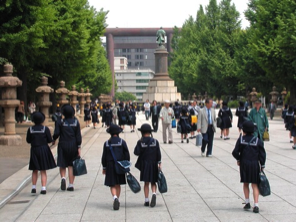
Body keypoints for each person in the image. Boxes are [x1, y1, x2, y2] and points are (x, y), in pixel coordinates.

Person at [232, 121, 266, 214]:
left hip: (244, 164)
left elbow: (234, 152)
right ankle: (256, 205)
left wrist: (239, 159)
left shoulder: (241, 140)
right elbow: (262, 154)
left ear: (244, 130)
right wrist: (262, 165)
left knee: (245, 183)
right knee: (255, 185)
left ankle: (247, 202)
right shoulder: (257, 141)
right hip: (254, 164)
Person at [53, 105, 82, 192]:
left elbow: (57, 133)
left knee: (62, 163)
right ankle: (71, 184)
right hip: (73, 144)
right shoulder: (76, 122)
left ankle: (63, 178)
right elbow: (78, 136)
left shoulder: (60, 121)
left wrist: (53, 139)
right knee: (71, 165)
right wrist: (79, 146)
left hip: (62, 144)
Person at [26, 112, 57, 195]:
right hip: (43, 149)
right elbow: (49, 140)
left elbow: (28, 140)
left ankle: (33, 187)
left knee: (34, 169)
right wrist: (53, 141)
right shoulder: (45, 129)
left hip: (34, 149)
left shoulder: (30, 129)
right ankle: (43, 188)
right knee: (43, 170)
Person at [101, 124, 130, 210]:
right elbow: (127, 155)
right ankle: (117, 197)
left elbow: (104, 157)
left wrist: (104, 167)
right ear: (118, 133)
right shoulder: (122, 142)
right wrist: (126, 165)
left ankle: (115, 197)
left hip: (110, 165)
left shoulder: (106, 143)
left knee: (112, 183)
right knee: (118, 183)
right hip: (120, 165)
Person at [134, 124, 161, 207]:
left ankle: (146, 200)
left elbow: (136, 152)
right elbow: (158, 154)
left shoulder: (140, 142)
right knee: (153, 181)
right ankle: (153, 193)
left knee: (146, 183)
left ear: (142, 132)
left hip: (145, 164)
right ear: (150, 132)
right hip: (153, 164)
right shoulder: (155, 141)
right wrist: (159, 163)